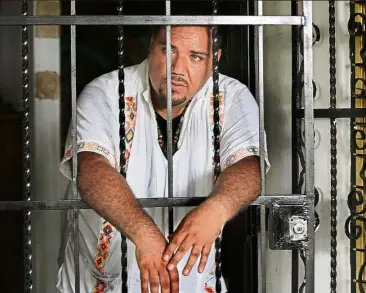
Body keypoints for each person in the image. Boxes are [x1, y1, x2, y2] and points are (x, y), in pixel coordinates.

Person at [56, 22, 270, 293]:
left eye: (196, 57)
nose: (177, 69)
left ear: (214, 60)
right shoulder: (106, 92)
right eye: (168, 50)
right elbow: (90, 169)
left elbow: (248, 167)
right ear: (150, 47)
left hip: (192, 283)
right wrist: (143, 234)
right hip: (102, 282)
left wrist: (217, 209)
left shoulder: (232, 96)